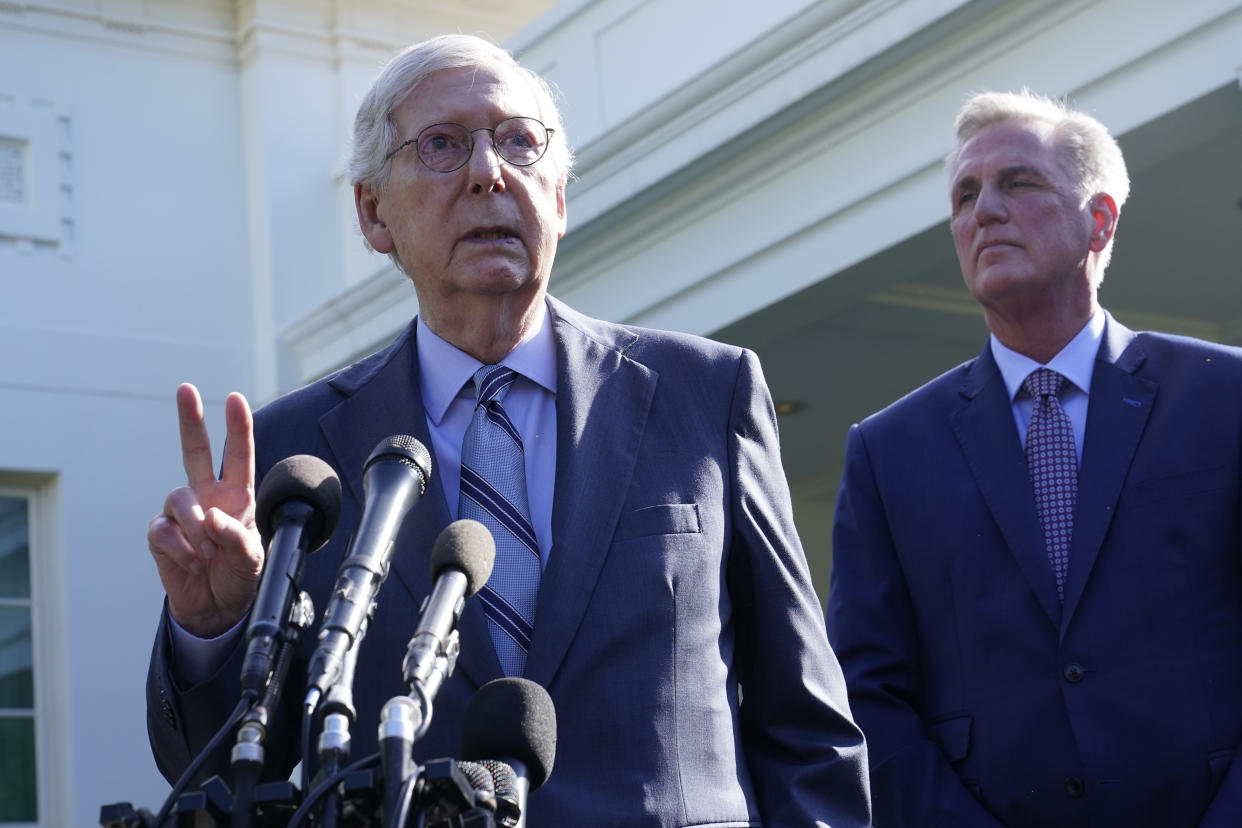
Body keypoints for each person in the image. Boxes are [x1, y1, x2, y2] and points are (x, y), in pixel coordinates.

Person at [145, 33, 870, 827]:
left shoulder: (706, 394)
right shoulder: (297, 458)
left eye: (519, 143)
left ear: (558, 196)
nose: (489, 172)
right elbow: (223, 775)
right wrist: (213, 631)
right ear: (371, 211)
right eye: (443, 146)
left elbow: (806, 727)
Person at [825, 87, 1242, 827]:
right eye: (964, 195)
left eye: (1018, 183)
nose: (983, 210)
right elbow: (867, 693)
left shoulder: (1225, 397)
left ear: (1100, 220)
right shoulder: (888, 452)